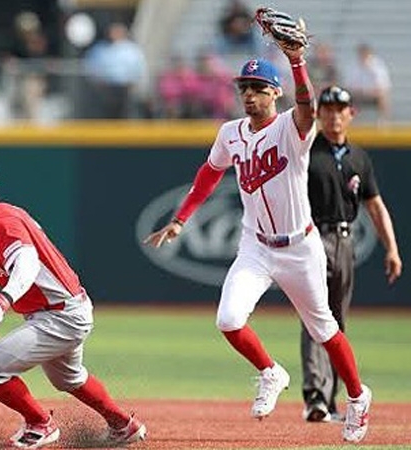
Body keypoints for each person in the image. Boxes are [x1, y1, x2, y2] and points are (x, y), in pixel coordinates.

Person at [143, 41, 373, 443]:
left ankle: (357, 397)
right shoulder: (230, 133)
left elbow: (307, 106)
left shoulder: (292, 127)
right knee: (229, 320)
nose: (248, 94)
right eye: (244, 88)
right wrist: (180, 219)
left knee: (324, 330)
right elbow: (209, 173)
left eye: (257, 87)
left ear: (274, 92)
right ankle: (271, 371)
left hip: (300, 247)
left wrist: (297, 62)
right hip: (256, 245)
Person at [0, 162, 146, 449]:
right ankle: (123, 425)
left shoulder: (1, 220)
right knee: (68, 378)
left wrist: (1, 301)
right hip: (65, 310)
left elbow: (28, 264)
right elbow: (18, 269)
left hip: (59, 317)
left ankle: (40, 424)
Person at [301, 85, 402, 423]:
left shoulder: (359, 157)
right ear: (318, 115)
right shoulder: (306, 151)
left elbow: (374, 205)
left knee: (337, 320)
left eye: (339, 109)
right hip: (312, 236)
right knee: (315, 316)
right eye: (326, 110)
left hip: (345, 239)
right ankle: (315, 396)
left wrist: (391, 247)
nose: (333, 115)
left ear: (350, 114)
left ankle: (329, 401)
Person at [83, 22, 146, 119]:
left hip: (125, 88)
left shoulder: (131, 49)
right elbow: (91, 67)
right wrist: (99, 85)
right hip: (105, 89)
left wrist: (132, 84)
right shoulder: (100, 49)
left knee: (124, 115)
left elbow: (138, 68)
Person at [344, 43, 392, 123]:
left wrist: (370, 91)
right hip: (358, 95)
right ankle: (351, 122)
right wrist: (360, 91)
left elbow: (383, 86)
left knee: (383, 97)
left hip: (373, 95)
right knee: (348, 98)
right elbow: (349, 86)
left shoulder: (377, 66)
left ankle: (384, 122)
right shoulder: (353, 66)